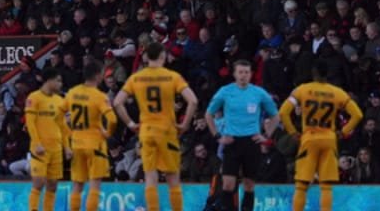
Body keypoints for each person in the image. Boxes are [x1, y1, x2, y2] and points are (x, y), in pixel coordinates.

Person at [114, 42, 199, 211]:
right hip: (167, 131)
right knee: (173, 178)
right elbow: (193, 101)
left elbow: (117, 102)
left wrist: (131, 123)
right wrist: (185, 123)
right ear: (163, 56)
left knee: (150, 177)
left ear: (146, 57)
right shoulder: (172, 76)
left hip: (146, 131)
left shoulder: (136, 77)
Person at [279, 61, 363, 211]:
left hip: (309, 138)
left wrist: (293, 132)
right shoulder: (337, 92)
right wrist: (343, 132)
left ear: (313, 73)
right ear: (327, 74)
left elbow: (283, 112)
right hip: (329, 139)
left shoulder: (302, 90)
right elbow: (357, 114)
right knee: (326, 187)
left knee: (301, 185)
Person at [204, 60, 281, 211]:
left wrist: (266, 135)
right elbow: (208, 114)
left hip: (251, 142)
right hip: (231, 141)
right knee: (227, 184)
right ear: (234, 74)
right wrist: (218, 136)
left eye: (246, 72)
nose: (243, 75)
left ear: (251, 74)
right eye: (240, 72)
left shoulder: (259, 93)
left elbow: (276, 116)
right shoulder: (225, 91)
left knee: (249, 185)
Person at [65, 59, 116, 211]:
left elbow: (59, 117)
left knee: (77, 185)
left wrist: (69, 135)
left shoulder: (72, 93)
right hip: (95, 144)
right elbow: (112, 119)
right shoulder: (99, 96)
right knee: (94, 185)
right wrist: (107, 133)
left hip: (77, 143)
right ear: (98, 76)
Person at [26, 69, 67, 211]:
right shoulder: (34, 98)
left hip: (56, 149)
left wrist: (67, 147)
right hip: (40, 150)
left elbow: (63, 126)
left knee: (53, 185)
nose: (60, 84)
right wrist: (37, 144)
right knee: (38, 183)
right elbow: (30, 123)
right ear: (49, 81)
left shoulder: (60, 101)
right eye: (58, 80)